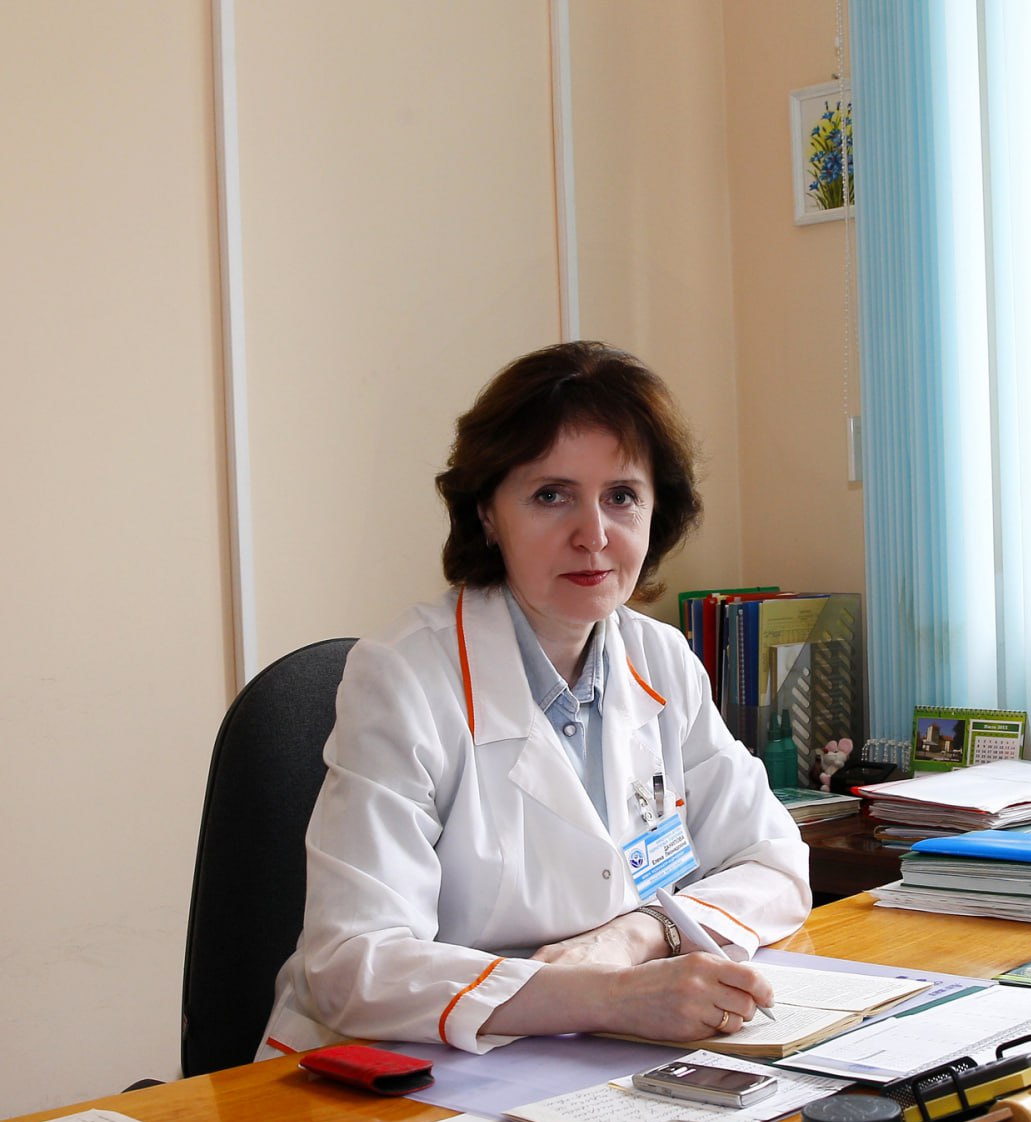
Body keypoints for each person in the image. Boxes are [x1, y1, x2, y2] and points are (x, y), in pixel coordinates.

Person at [258, 340, 811, 1059]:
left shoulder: (660, 660)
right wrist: (609, 996)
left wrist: (636, 937)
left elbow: (774, 864)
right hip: (413, 1071)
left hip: (595, 1056)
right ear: (488, 514)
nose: (593, 535)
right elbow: (352, 965)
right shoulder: (403, 677)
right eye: (552, 495)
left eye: (621, 496)